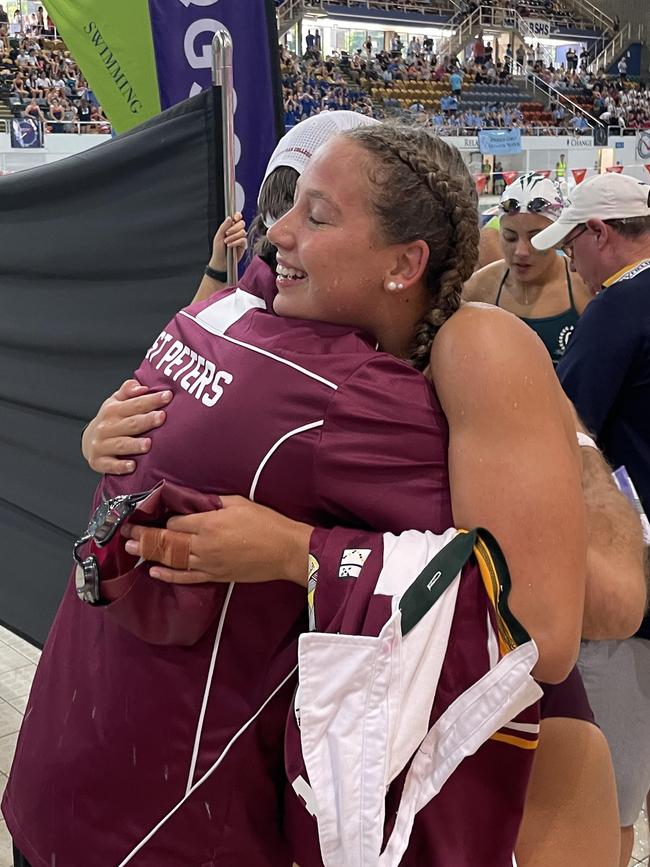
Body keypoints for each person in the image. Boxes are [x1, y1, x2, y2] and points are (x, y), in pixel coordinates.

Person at [4, 123, 588, 867]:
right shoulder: (340, 380)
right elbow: (529, 606)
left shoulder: (240, 324)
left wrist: (291, 548)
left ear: (405, 263)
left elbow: (539, 612)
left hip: (67, 766)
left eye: (316, 215)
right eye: (289, 203)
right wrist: (298, 550)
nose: (274, 232)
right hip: (157, 816)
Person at [533, 171, 650, 867]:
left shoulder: (617, 309)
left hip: (624, 568)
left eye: (572, 245)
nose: (569, 263)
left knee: (606, 789)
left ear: (599, 234)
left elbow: (564, 431)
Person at [465, 173, 592, 365]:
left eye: (536, 238)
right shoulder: (480, 287)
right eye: (510, 237)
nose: (521, 251)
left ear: (557, 237)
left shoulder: (583, 286)